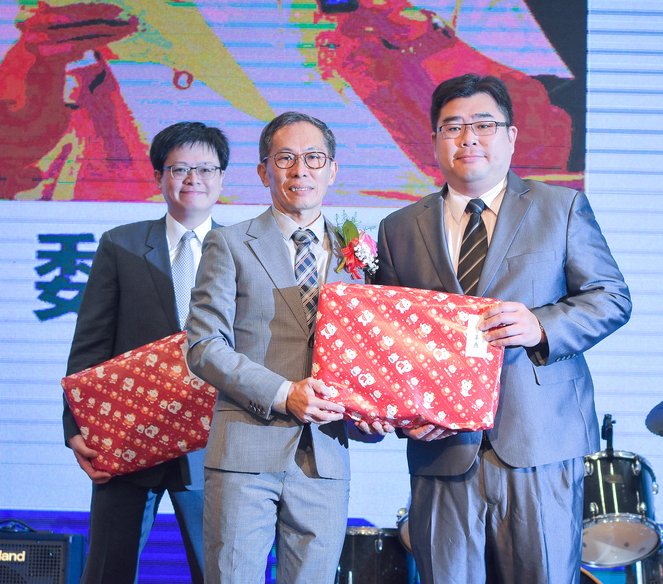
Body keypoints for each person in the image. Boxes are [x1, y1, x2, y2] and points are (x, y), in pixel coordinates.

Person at [375, 73, 632, 583]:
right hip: (442, 448)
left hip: (540, 441)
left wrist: (540, 325)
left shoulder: (560, 207)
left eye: (484, 125)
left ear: (511, 136)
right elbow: (390, 339)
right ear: (435, 141)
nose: (468, 138)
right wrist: (405, 412)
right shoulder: (399, 228)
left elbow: (611, 298)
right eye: (453, 127)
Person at [185, 111, 390, 584]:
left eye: (314, 158)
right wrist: (284, 394)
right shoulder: (229, 243)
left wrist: (375, 411)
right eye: (286, 159)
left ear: (332, 170)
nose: (301, 170)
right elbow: (204, 346)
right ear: (264, 171)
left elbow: (372, 353)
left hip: (325, 456)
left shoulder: (358, 253)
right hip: (245, 455)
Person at [63, 121, 230, 583]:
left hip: (214, 442)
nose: (193, 179)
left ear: (222, 178)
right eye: (180, 168)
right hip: (127, 436)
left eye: (205, 168)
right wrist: (75, 426)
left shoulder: (243, 248)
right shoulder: (122, 244)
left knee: (223, 573)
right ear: (160, 176)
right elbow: (90, 342)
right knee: (107, 571)